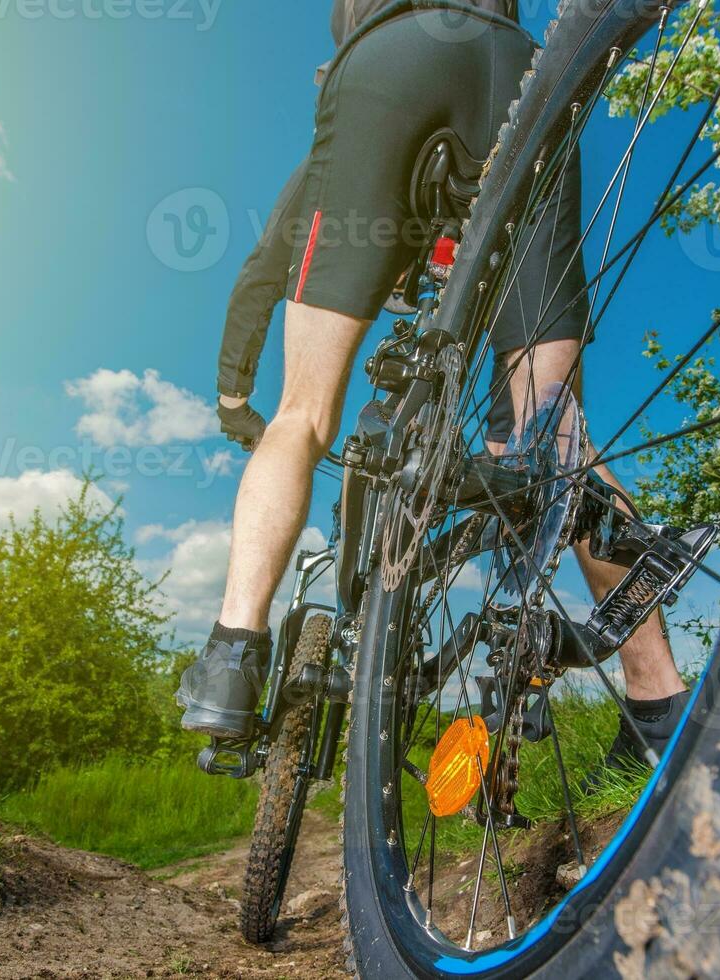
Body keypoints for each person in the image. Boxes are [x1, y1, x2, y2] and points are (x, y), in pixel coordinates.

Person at [177, 0, 688, 774]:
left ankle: (231, 659)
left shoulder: (350, 73)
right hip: (522, 65)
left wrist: (234, 400)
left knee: (303, 414)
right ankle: (658, 705)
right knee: (553, 429)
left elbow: (258, 277)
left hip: (391, 64)